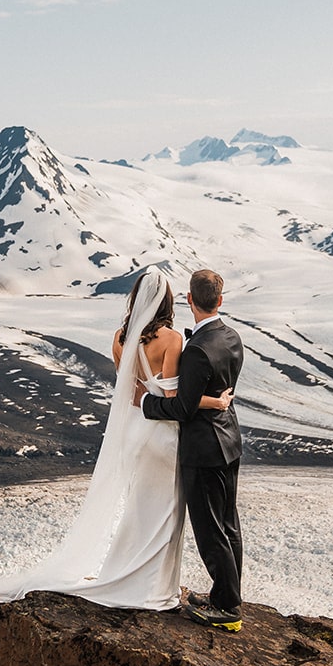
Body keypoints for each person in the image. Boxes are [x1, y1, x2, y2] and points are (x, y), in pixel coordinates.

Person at [0, 268, 231, 610]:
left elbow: (131, 394)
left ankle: (128, 575)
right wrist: (213, 401)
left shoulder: (120, 337)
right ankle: (154, 587)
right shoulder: (173, 340)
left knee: (140, 509)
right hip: (162, 434)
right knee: (167, 512)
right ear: (169, 301)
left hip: (136, 431)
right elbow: (176, 402)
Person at [139, 269, 245, 632]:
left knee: (210, 529)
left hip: (203, 450)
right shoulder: (231, 336)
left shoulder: (197, 350)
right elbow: (222, 390)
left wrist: (146, 406)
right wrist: (215, 403)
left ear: (189, 300)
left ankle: (228, 608)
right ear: (220, 300)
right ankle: (225, 596)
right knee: (228, 523)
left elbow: (182, 408)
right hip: (229, 441)